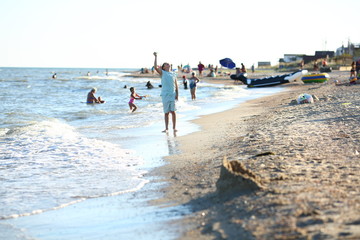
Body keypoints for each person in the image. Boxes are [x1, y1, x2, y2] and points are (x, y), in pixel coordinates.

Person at [153, 52, 179, 133]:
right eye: (167, 64)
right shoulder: (163, 73)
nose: (169, 65)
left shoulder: (174, 73)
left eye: (169, 64)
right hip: (165, 95)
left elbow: (176, 84)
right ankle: (166, 128)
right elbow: (155, 67)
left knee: (173, 112)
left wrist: (177, 94)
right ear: (164, 67)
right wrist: (156, 57)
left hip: (172, 94)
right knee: (166, 113)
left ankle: (174, 128)